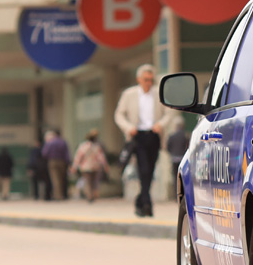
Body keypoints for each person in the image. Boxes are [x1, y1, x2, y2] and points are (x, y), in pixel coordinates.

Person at [115, 63, 172, 217]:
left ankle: (141, 201)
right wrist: (128, 128)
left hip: (153, 135)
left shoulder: (158, 93)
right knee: (144, 169)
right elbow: (119, 114)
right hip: (137, 136)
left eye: (151, 80)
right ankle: (147, 204)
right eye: (146, 79)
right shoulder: (129, 94)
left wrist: (160, 124)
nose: (148, 82)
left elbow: (169, 112)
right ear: (139, 79)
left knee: (150, 170)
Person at [70, 129, 109, 203]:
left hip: (85, 167)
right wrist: (105, 166)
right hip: (96, 166)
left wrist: (74, 167)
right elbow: (101, 157)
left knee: (88, 181)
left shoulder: (83, 146)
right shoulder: (97, 147)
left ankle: (90, 195)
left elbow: (78, 157)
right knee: (95, 181)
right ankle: (94, 193)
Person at [42, 129, 70, 200]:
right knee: (62, 179)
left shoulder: (50, 142)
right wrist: (68, 162)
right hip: (62, 162)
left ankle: (58, 196)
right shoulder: (63, 142)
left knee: (55, 179)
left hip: (52, 161)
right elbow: (67, 154)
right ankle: (63, 194)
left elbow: (44, 153)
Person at [166, 118, 189, 194]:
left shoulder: (172, 136)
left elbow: (168, 147)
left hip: (174, 159)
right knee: (183, 177)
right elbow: (188, 147)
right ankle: (183, 193)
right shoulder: (185, 136)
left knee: (175, 177)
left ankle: (176, 194)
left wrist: (172, 154)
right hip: (182, 159)